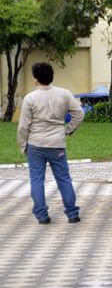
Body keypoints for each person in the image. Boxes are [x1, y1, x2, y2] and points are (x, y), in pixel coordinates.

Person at [17, 62, 84, 224]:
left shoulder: (30, 98)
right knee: (63, 179)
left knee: (37, 180)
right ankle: (72, 213)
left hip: (36, 145)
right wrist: (68, 130)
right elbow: (79, 113)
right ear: (51, 76)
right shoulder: (64, 94)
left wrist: (23, 145)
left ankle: (42, 215)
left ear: (35, 79)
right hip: (57, 144)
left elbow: (23, 126)